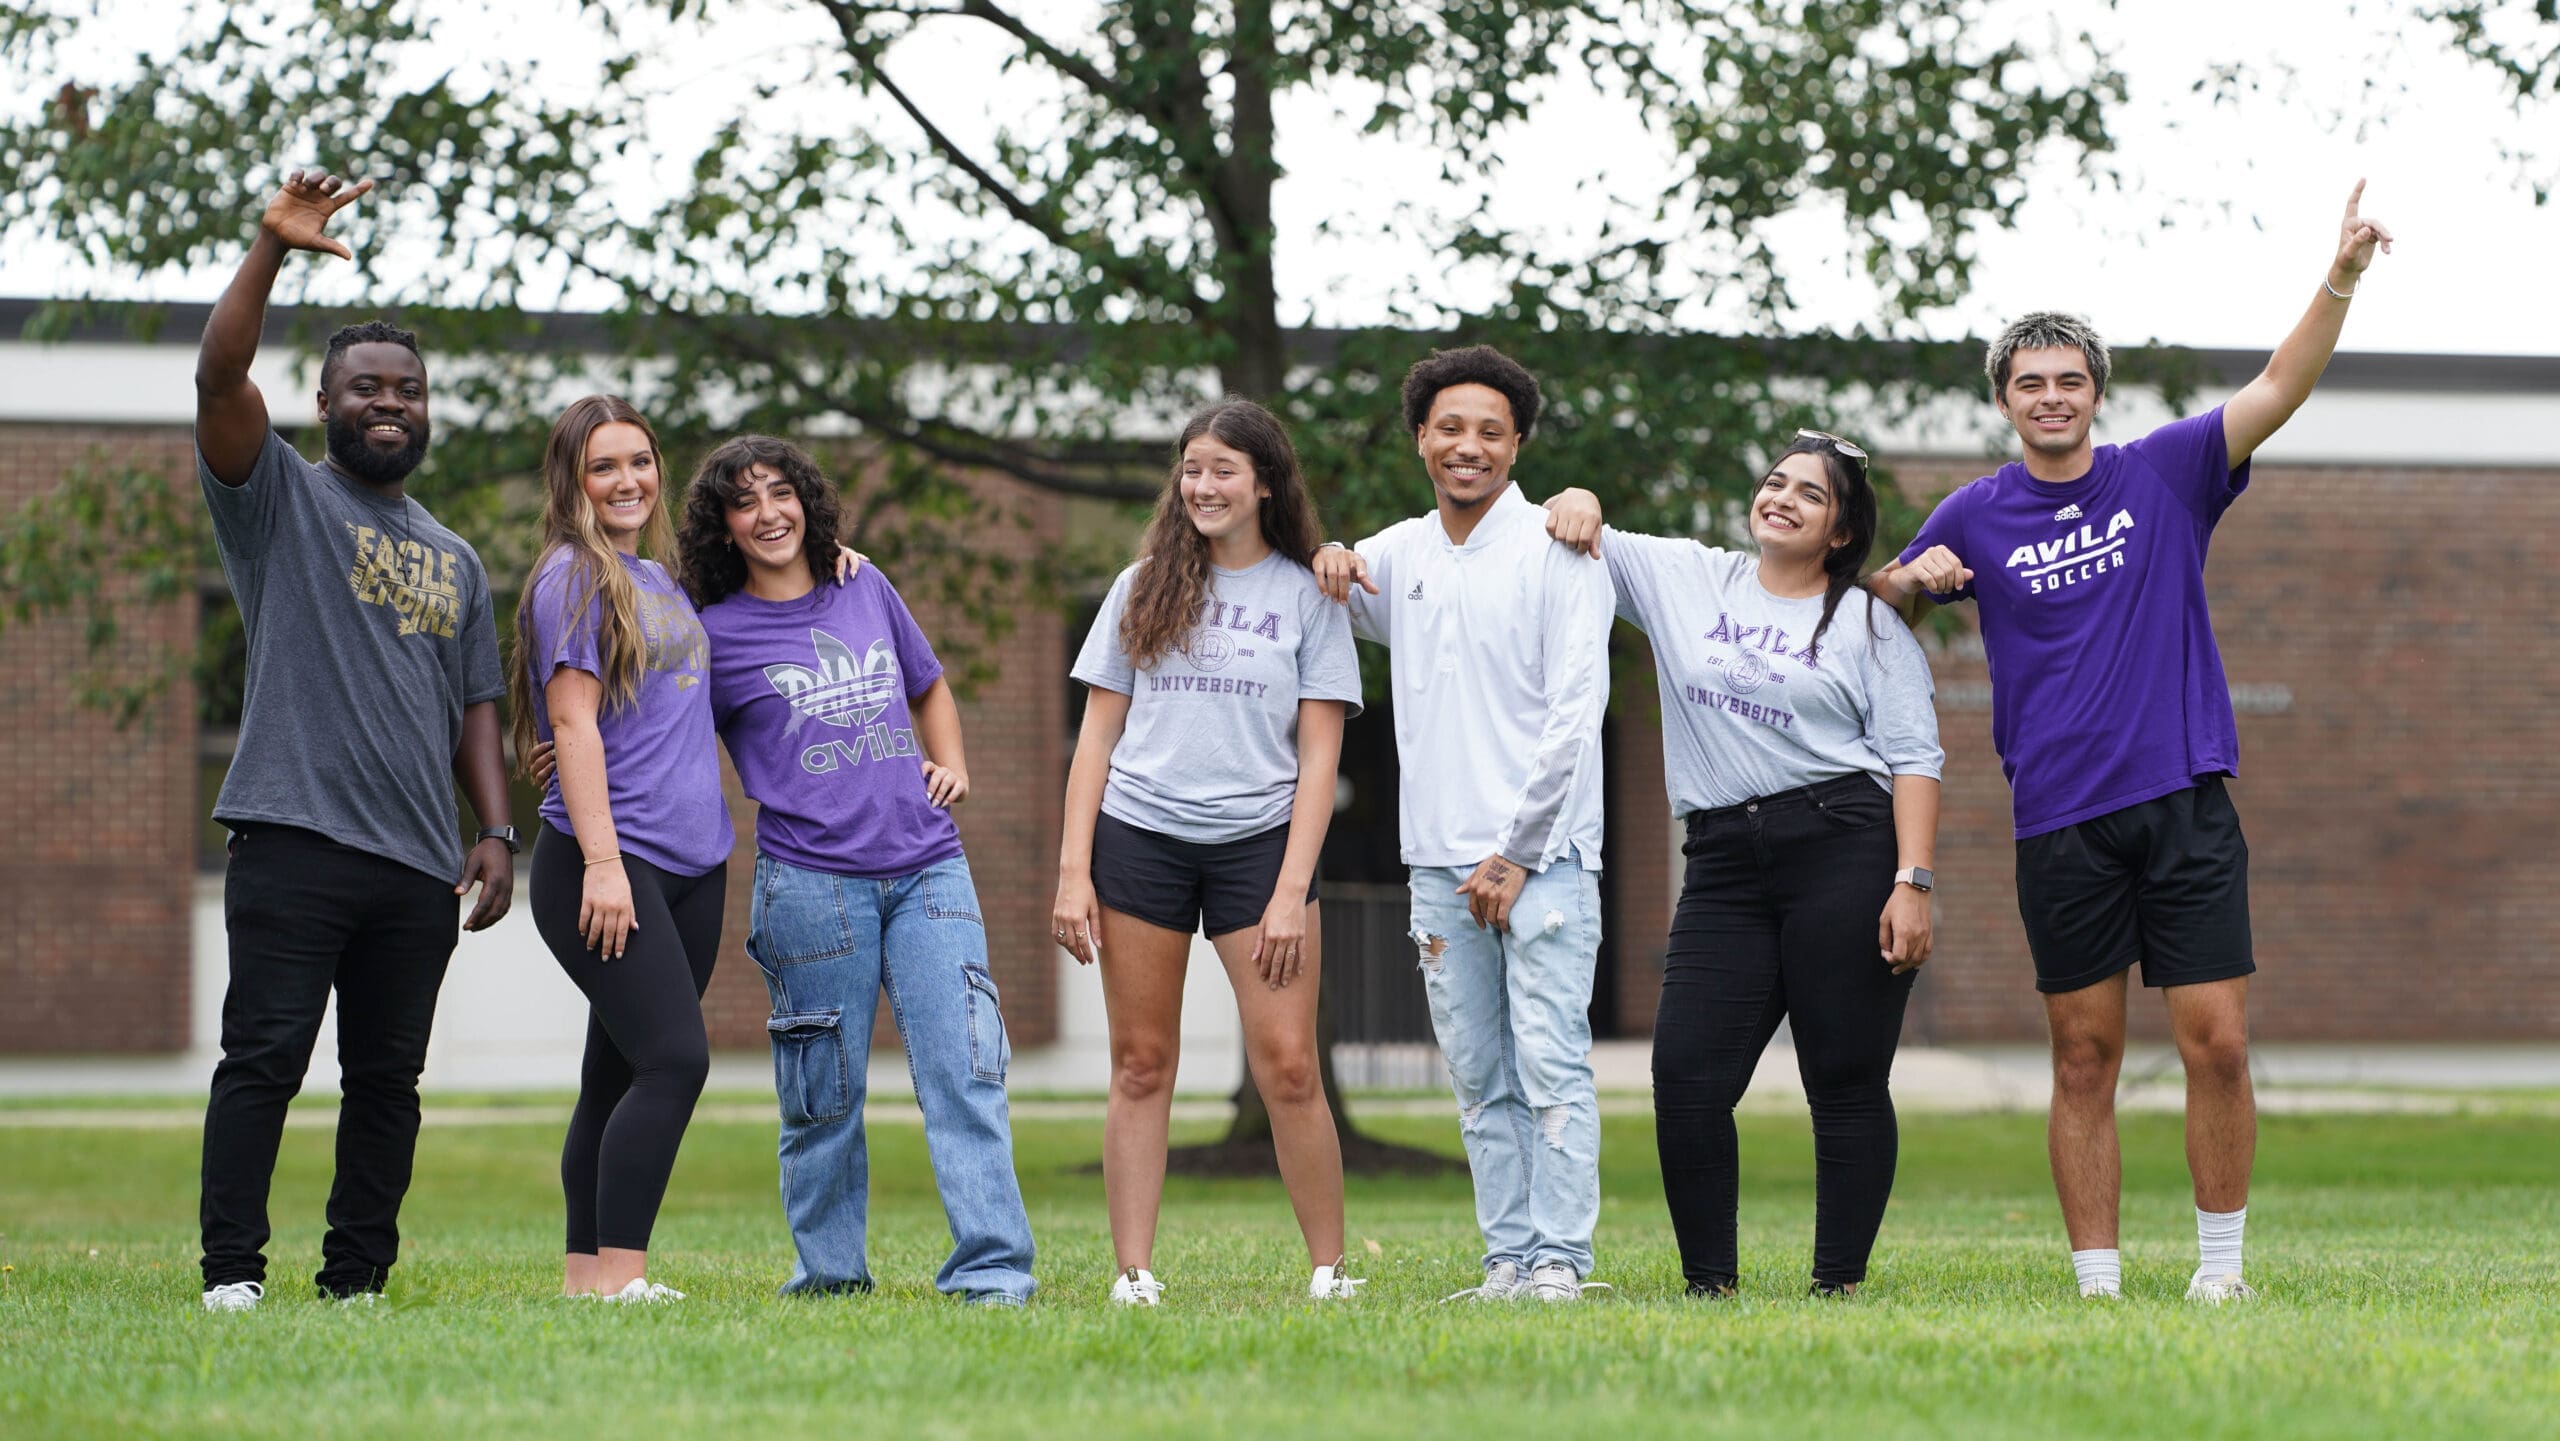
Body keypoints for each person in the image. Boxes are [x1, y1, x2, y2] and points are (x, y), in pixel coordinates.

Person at [1872, 182, 2397, 1303]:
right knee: (2081, 1056)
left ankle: (2220, 1274)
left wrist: (2341, 274)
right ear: (2006, 403)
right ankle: (2098, 1283)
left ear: (2095, 395)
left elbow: (2276, 387)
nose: (2051, 397)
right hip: (2058, 816)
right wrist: (1913, 577)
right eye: (2030, 384)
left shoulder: (2163, 472)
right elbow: (1882, 602)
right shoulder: (1972, 512)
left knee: (2213, 1041)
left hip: (2183, 797)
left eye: (2069, 380)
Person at [192, 170, 515, 1311]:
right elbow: (219, 374)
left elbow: (476, 701)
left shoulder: (460, 557)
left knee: (388, 1081)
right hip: (291, 834)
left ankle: (357, 1280)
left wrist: (493, 830)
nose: (391, 403)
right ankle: (232, 1274)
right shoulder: (278, 496)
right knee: (264, 1060)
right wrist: (272, 249)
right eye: (366, 387)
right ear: (325, 403)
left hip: (415, 862)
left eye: (409, 390)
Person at [1541, 432, 1944, 1298]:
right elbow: (1574, 531)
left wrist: (1912, 882)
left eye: (1812, 494)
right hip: (1722, 860)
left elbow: (1915, 757)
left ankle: (1837, 1284)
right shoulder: (1689, 577)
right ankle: (1708, 1286)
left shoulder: (1870, 623)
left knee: (1842, 1077)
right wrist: (1577, 493)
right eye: (1775, 481)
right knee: (1685, 1076)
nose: (1784, 498)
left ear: (1840, 531)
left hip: (1846, 843)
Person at [684, 435, 1037, 1306]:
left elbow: (928, 683)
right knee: (823, 1095)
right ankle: (831, 1273)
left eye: (781, 492)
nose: (768, 513)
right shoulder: (710, 632)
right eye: (744, 501)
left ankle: (993, 1272)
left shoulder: (863, 584)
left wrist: (950, 761)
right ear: (723, 526)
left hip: (928, 867)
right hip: (809, 879)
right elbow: (653, 725)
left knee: (966, 1068)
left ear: (807, 501)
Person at [1312, 345, 1616, 1304]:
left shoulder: (1562, 550)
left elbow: (1575, 715)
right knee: (1480, 1077)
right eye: (1450, 428)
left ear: (1517, 442)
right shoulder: (1399, 552)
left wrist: (1516, 853)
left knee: (1552, 1062)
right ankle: (1508, 1262)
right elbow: (1332, 591)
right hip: (1437, 862)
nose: (1468, 446)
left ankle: (1562, 1261)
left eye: (1490, 430)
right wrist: (1325, 557)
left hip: (1547, 860)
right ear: (1421, 440)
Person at [1054, 398, 1367, 1307]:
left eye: (1223, 469)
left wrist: (1289, 888)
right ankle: (1135, 1273)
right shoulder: (1141, 583)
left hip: (1260, 849)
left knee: (1291, 1065)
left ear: (1264, 481)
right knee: (1141, 1062)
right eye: (1192, 468)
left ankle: (1328, 1270)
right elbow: (1094, 744)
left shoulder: (1310, 593)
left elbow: (1321, 756)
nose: (1203, 485)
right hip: (1140, 840)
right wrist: (1074, 872)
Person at [509, 396, 733, 1303]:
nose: (627, 480)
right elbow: (571, 719)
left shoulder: (661, 580)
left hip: (693, 861)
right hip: (611, 860)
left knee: (615, 1070)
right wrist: (604, 865)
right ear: (573, 481)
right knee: (676, 1060)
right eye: (605, 466)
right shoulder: (573, 575)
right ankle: (625, 1277)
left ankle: (583, 1279)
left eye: (639, 461)